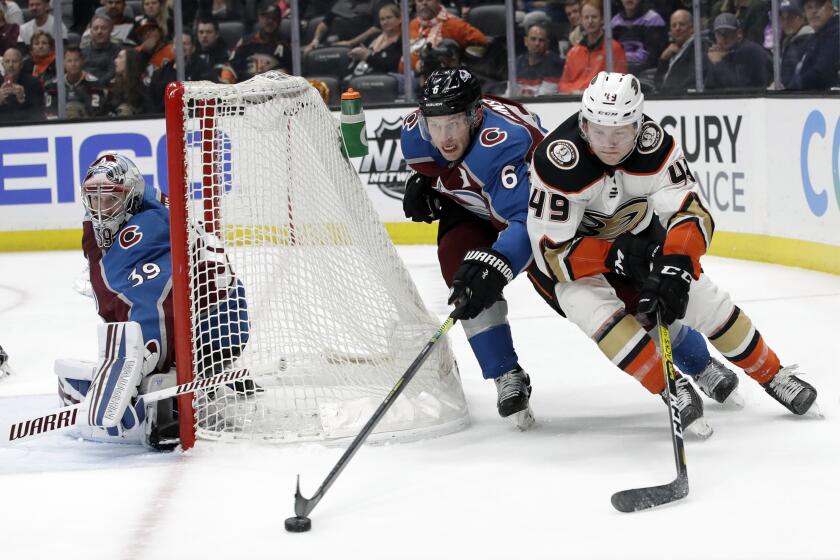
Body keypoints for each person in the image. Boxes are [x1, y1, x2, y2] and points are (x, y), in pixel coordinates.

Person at [399, 68, 735, 430]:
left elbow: (526, 226)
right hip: (474, 212)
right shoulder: (414, 136)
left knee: (627, 295)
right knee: (461, 274)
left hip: (538, 223)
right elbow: (448, 166)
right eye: (436, 125)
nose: (444, 137)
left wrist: (498, 263)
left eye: (453, 124)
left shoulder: (508, 144)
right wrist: (428, 182)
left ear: (474, 115)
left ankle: (698, 363)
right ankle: (504, 373)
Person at [523, 71, 818, 423]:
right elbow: (551, 255)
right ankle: (670, 386)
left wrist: (676, 262)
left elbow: (691, 213)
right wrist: (614, 256)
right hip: (575, 262)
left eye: (620, 132)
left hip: (641, 239)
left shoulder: (655, 146)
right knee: (597, 314)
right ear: (584, 124)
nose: (609, 143)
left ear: (639, 123)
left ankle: (773, 374)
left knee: (702, 299)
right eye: (599, 131)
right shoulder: (558, 161)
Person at [57, 152, 249, 450]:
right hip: (220, 319)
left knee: (148, 351)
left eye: (109, 200)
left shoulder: (149, 227)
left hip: (216, 328)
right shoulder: (149, 206)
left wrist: (143, 359)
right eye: (93, 200)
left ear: (130, 197)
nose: (100, 210)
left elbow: (151, 303)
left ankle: (178, 387)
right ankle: (205, 371)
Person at [557, 0, 627, 94]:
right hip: (574, 100)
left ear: (602, 19)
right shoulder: (573, 52)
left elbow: (621, 83)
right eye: (586, 17)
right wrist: (574, 92)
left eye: (594, 17)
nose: (590, 21)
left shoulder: (614, 48)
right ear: (581, 20)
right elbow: (563, 85)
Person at [405, 0, 487, 75]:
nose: (424, 3)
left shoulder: (454, 25)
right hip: (411, 77)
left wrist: (463, 58)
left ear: (438, 1)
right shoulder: (413, 24)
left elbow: (482, 40)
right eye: (420, 0)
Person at [224, 2, 290, 83]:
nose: (270, 21)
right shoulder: (246, 42)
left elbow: (293, 72)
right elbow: (229, 67)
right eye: (266, 17)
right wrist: (226, 85)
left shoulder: (286, 44)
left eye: (274, 18)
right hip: (245, 88)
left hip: (274, 89)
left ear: (279, 20)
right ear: (259, 18)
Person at [704, 12, 772, 90]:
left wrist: (718, 63)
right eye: (719, 33)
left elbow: (738, 88)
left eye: (728, 33)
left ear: (739, 33)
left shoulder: (750, 51)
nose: (724, 38)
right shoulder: (721, 53)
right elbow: (709, 86)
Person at [148, 32, 213, 112]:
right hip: (163, 120)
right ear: (172, 47)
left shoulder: (203, 70)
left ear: (193, 48)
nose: (181, 47)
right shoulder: (159, 74)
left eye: (185, 44)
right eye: (177, 43)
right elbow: (151, 104)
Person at [654, 8, 708, 94]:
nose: (677, 28)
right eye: (674, 25)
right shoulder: (673, 50)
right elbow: (657, 83)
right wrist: (663, 59)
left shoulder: (698, 47)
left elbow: (692, 81)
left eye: (682, 24)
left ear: (692, 28)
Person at [789, 0, 839, 90]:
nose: (814, 11)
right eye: (809, 7)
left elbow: (822, 73)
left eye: (818, 6)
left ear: (830, 8)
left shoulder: (835, 34)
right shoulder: (813, 39)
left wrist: (791, 89)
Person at [45, 46, 106, 118]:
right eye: (69, 61)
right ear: (63, 63)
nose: (73, 64)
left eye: (76, 60)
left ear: (82, 61)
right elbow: (50, 113)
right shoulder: (53, 85)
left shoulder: (94, 84)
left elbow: (95, 113)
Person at [610, 0, 667, 75]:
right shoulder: (614, 22)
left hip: (645, 75)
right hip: (618, 73)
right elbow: (608, 54)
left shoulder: (654, 20)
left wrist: (620, 57)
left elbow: (649, 57)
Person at [303, 0, 381, 54]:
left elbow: (376, 29)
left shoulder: (375, 3)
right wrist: (315, 40)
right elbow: (325, 23)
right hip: (332, 43)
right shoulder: (341, 2)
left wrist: (350, 43)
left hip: (358, 46)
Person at [347, 3, 402, 77]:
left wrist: (367, 56)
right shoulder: (373, 38)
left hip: (383, 79)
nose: (385, 22)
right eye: (382, 19)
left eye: (389, 18)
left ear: (399, 19)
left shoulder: (402, 41)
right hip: (361, 75)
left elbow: (391, 64)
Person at [514, 22, 564, 97]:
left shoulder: (554, 63)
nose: (537, 43)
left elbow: (544, 97)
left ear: (547, 44)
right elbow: (511, 93)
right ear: (525, 41)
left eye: (541, 40)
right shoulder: (517, 63)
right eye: (533, 39)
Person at [0, 47, 44, 121]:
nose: (11, 65)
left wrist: (23, 99)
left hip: (25, 127)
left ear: (21, 65)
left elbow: (38, 112)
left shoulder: (33, 83)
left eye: (14, 61)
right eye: (7, 61)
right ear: (3, 64)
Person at [777, 0, 813, 89]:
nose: (786, 22)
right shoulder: (788, 41)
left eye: (791, 17)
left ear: (802, 18)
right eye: (782, 18)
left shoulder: (807, 41)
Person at [81, 15, 122, 86]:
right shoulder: (81, 54)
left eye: (103, 28)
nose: (99, 32)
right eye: (96, 28)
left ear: (111, 30)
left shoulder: (120, 53)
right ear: (91, 32)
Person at [104, 47, 148, 115]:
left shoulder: (142, 87)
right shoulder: (113, 86)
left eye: (120, 57)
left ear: (130, 61)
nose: (115, 60)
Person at [133, 16, 175, 83]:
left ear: (160, 32)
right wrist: (144, 53)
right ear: (140, 38)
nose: (148, 34)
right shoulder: (135, 52)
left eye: (151, 30)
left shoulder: (172, 50)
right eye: (144, 32)